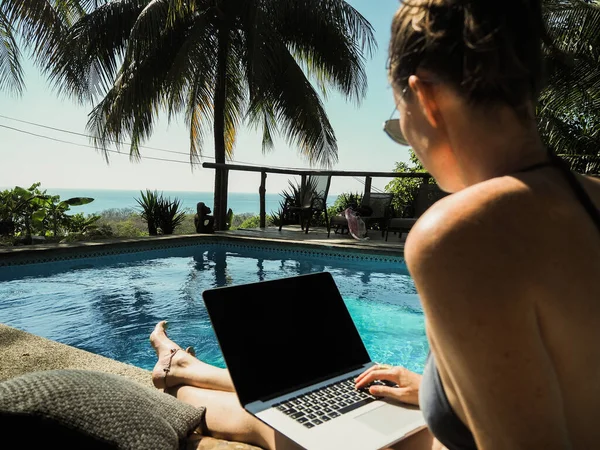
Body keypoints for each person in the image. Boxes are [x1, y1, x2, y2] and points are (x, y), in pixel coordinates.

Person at [151, 0, 600, 449]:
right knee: (335, 397)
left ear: (424, 98)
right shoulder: (590, 195)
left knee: (276, 427)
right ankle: (190, 370)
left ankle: (181, 383)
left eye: (397, 122)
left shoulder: (458, 236)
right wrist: (431, 390)